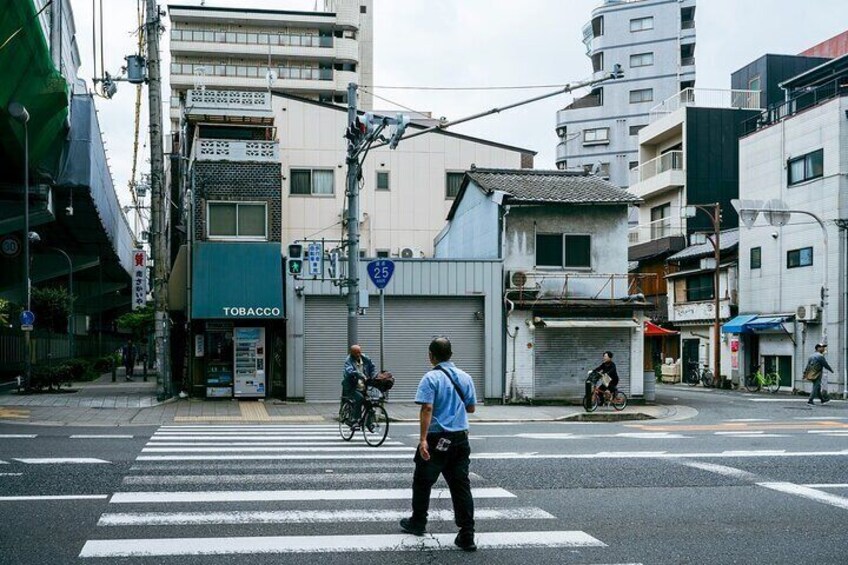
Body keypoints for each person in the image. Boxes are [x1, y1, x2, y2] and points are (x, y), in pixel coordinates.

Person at [400, 337, 478, 552]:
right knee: (460, 485)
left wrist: (423, 439)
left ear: (431, 355)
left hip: (436, 438)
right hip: (460, 438)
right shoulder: (465, 377)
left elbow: (427, 408)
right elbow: (471, 408)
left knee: (423, 481)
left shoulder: (431, 377)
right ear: (451, 354)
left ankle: (418, 521)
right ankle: (467, 534)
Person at [341, 344, 376, 424]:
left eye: (359, 352)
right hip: (352, 386)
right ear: (351, 353)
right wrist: (360, 375)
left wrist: (372, 376)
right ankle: (355, 419)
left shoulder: (365, 358)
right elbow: (349, 371)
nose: (358, 355)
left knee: (369, 401)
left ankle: (369, 423)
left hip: (363, 386)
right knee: (359, 398)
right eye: (356, 353)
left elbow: (372, 367)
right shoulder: (348, 360)